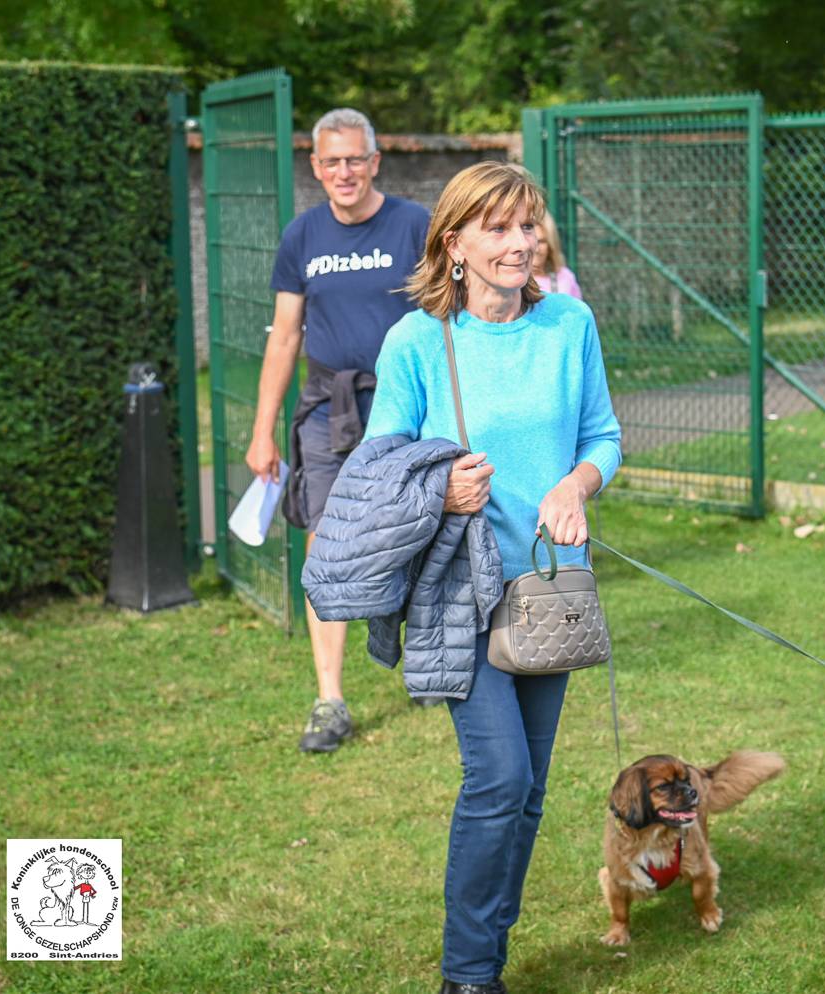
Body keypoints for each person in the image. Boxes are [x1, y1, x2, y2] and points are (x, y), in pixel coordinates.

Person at [364, 161, 621, 994]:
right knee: (499, 776)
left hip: (549, 592)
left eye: (529, 225)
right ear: (455, 244)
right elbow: (378, 470)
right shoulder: (416, 343)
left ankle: (486, 962)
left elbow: (603, 437)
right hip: (456, 591)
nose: (521, 243)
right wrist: (439, 488)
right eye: (500, 228)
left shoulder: (568, 326)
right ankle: (468, 975)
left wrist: (574, 484)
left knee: (531, 791)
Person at [245, 108, 431, 753]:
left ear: (375, 161)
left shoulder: (414, 225)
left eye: (356, 159)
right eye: (331, 162)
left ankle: (429, 661)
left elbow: (448, 320)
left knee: (418, 531)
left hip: (406, 405)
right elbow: (285, 336)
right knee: (326, 547)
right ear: (316, 169)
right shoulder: (302, 236)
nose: (344, 172)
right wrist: (263, 430)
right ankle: (330, 699)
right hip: (328, 407)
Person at [531, 212, 583, 299]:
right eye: (532, 242)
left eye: (542, 242)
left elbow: (577, 311)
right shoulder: (511, 280)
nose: (537, 249)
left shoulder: (565, 278)